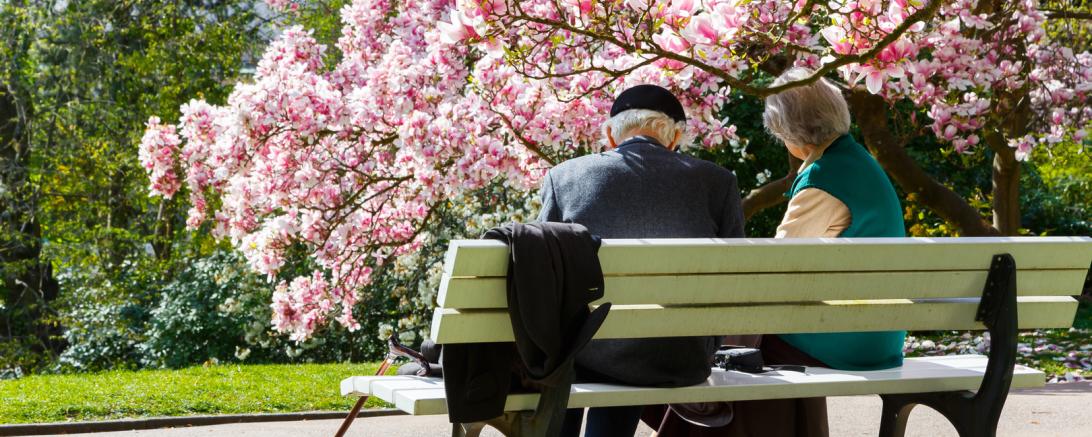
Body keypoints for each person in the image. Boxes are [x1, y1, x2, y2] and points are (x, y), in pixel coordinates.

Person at [646, 67, 907, 436]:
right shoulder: (856, 162)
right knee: (749, 339)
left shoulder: (823, 181)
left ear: (790, 133)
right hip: (875, 333)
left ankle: (692, 421)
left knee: (733, 345)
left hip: (847, 341)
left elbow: (773, 269)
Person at [538, 84, 745, 437]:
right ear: (675, 137)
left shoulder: (564, 178)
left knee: (577, 347)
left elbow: (542, 272)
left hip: (587, 354)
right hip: (681, 356)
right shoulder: (719, 182)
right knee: (638, 342)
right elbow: (735, 278)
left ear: (609, 135)